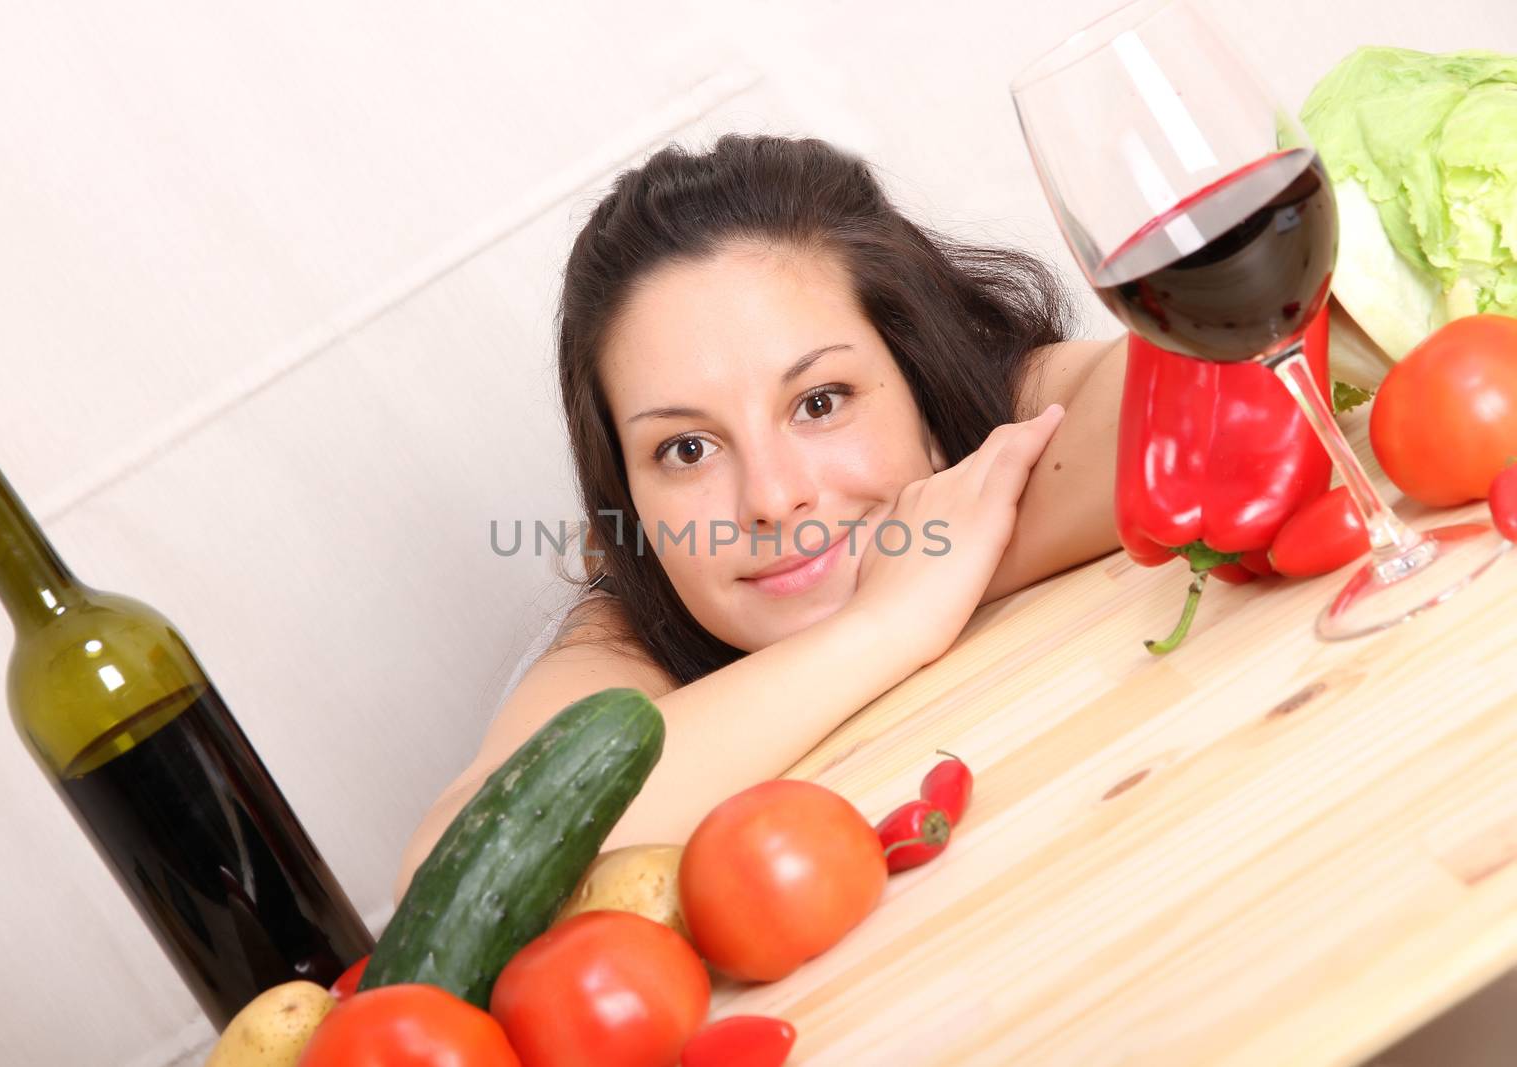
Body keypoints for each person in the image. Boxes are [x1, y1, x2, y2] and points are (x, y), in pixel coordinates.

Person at [395, 133, 1125, 902]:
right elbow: (455, 880)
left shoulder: (988, 423)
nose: (773, 500)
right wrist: (888, 619)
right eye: (686, 448)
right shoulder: (622, 639)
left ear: (919, 375)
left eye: (819, 402)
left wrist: (934, 561)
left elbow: (1238, 373)